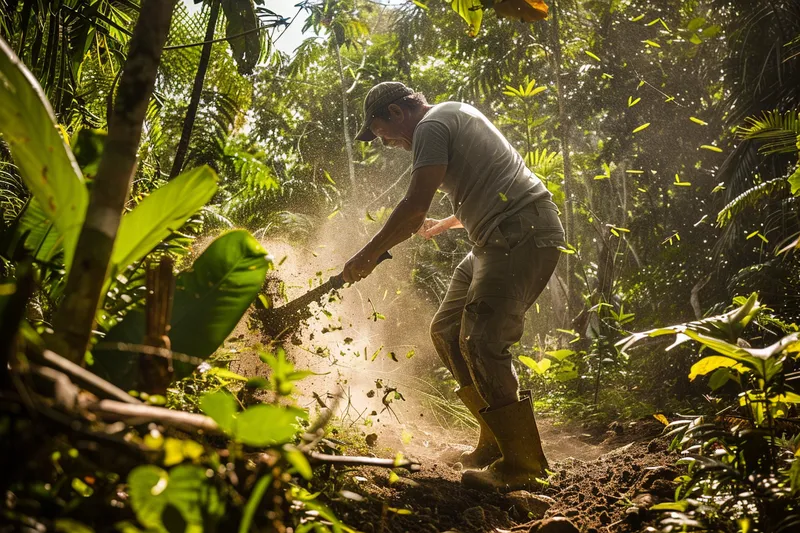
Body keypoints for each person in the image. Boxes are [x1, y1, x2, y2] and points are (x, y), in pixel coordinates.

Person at [341, 81, 565, 492]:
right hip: (494, 236)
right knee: (445, 332)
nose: (385, 143)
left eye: (379, 132)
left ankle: (523, 465)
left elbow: (412, 209)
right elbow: (491, 181)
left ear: (395, 112)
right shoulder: (453, 114)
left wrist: (368, 255)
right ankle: (494, 443)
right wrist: (449, 222)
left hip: (518, 232)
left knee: (481, 342)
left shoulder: (430, 125)